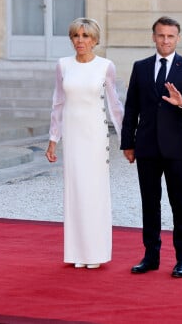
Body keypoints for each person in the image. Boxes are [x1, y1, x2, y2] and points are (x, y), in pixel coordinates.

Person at [121, 16, 182, 278]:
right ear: (154, 37)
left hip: (176, 149)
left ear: (178, 38)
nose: (166, 40)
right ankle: (151, 256)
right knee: (150, 203)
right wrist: (128, 142)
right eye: (161, 35)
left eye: (171, 36)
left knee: (180, 203)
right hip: (146, 147)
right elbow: (131, 108)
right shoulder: (141, 67)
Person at [46, 17, 124, 269]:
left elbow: (114, 105)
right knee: (75, 191)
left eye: (85, 36)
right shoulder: (63, 65)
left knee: (94, 192)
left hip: (94, 136)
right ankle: (77, 254)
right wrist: (52, 139)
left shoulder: (105, 66)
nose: (80, 41)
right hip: (72, 135)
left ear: (95, 40)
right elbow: (58, 102)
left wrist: (127, 140)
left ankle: (96, 253)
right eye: (76, 36)